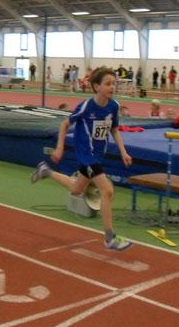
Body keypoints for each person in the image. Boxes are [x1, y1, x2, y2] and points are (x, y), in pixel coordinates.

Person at [30, 67, 133, 251]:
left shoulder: (114, 106)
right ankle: (109, 238)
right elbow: (65, 124)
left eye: (114, 83)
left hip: (97, 156)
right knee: (107, 191)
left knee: (77, 189)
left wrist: (123, 152)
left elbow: (114, 129)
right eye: (108, 84)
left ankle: (46, 171)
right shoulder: (86, 107)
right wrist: (60, 147)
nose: (112, 87)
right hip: (87, 155)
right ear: (96, 87)